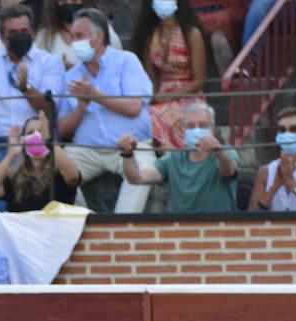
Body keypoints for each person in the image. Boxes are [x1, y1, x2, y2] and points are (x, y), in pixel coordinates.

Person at [0, 3, 64, 212]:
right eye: (13, 33)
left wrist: (26, 88)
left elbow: (50, 107)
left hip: (31, 142)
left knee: (3, 203)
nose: (19, 36)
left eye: (24, 32)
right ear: (2, 37)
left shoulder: (49, 62)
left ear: (33, 32)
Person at [58, 8, 155, 214]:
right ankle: (86, 223)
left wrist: (95, 95)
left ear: (99, 36)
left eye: (79, 36)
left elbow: (134, 107)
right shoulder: (72, 75)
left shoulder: (125, 61)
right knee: (54, 173)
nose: (74, 42)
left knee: (142, 171)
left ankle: (120, 230)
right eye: (72, 36)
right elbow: (62, 130)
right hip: (86, 149)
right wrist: (81, 108)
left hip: (130, 144)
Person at [118, 101, 237, 213]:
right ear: (183, 130)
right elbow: (136, 178)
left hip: (219, 228)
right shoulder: (174, 159)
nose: (196, 130)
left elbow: (228, 170)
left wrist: (219, 152)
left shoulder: (226, 152)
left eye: (202, 125)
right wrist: (127, 154)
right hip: (182, 229)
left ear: (213, 128)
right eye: (190, 126)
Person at [134, 0, 205, 150]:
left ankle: (169, 158)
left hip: (189, 94)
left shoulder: (191, 33)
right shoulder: (149, 37)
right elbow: (151, 78)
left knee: (155, 118)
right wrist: (152, 98)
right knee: (142, 116)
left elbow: (199, 81)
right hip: (161, 95)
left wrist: (170, 96)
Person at [0, 113, 80, 211]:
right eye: (30, 132)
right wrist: (11, 154)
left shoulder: (60, 171)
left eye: (41, 132)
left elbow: (73, 176)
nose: (36, 136)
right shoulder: (15, 176)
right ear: (23, 140)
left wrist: (49, 141)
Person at [36, 0, 121, 69]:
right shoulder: (45, 36)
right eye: (63, 1)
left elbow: (114, 68)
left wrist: (75, 71)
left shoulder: (104, 31)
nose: (69, 4)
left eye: (74, 0)